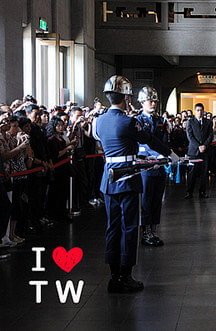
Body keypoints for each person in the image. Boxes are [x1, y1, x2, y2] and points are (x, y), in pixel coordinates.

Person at [92, 75, 177, 293]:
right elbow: (149, 139)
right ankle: (125, 275)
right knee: (129, 227)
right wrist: (171, 153)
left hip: (109, 180)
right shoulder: (129, 121)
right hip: (128, 179)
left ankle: (113, 275)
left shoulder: (99, 120)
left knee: (112, 227)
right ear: (127, 98)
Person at [136, 87, 170, 246]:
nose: (153, 103)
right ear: (142, 102)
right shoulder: (138, 121)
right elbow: (143, 143)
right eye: (150, 101)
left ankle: (154, 229)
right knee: (146, 200)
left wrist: (164, 155)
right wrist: (157, 155)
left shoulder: (160, 121)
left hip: (160, 165)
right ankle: (146, 232)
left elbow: (163, 140)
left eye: (155, 101)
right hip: (146, 165)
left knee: (157, 199)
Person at [185, 102, 213, 199]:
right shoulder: (190, 121)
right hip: (194, 151)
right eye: (198, 110)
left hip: (205, 151)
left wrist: (205, 145)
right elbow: (190, 136)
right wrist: (198, 146)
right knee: (192, 172)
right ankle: (189, 192)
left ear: (203, 111)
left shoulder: (208, 122)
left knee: (204, 172)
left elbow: (210, 135)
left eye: (201, 110)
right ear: (195, 111)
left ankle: (202, 192)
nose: (199, 112)